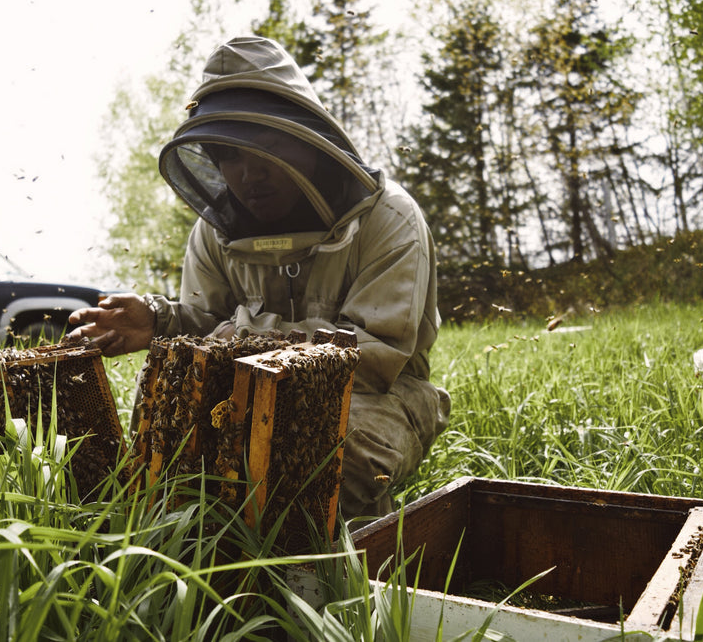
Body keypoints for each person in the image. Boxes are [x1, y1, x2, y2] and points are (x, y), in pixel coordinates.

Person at [67, 36, 450, 520]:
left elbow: (375, 357)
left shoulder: (386, 217)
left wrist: (247, 338)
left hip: (379, 395)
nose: (250, 174)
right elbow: (209, 319)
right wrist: (161, 322)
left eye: (265, 147)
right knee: (175, 438)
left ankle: (350, 569)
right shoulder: (215, 230)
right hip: (246, 391)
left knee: (319, 459)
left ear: (307, 141)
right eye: (231, 156)